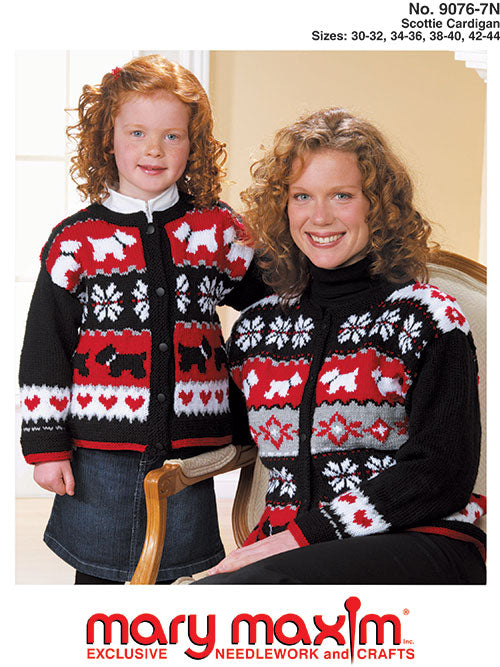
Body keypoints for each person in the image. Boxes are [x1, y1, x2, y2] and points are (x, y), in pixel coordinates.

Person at [194, 107, 486, 584]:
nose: (320, 216)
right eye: (301, 196)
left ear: (379, 205)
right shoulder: (256, 329)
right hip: (291, 551)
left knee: (243, 593)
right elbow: (217, 429)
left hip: (420, 541)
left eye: (342, 196)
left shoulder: (429, 318)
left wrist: (302, 535)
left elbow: (442, 471)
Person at [18, 54, 266, 584]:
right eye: (137, 133)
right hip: (98, 449)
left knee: (179, 580)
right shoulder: (76, 240)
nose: (154, 150)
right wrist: (45, 446)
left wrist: (242, 379)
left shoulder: (217, 229)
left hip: (187, 453)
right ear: (107, 140)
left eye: (172, 136)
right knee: (98, 580)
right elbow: (46, 346)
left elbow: (270, 303)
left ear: (194, 145)